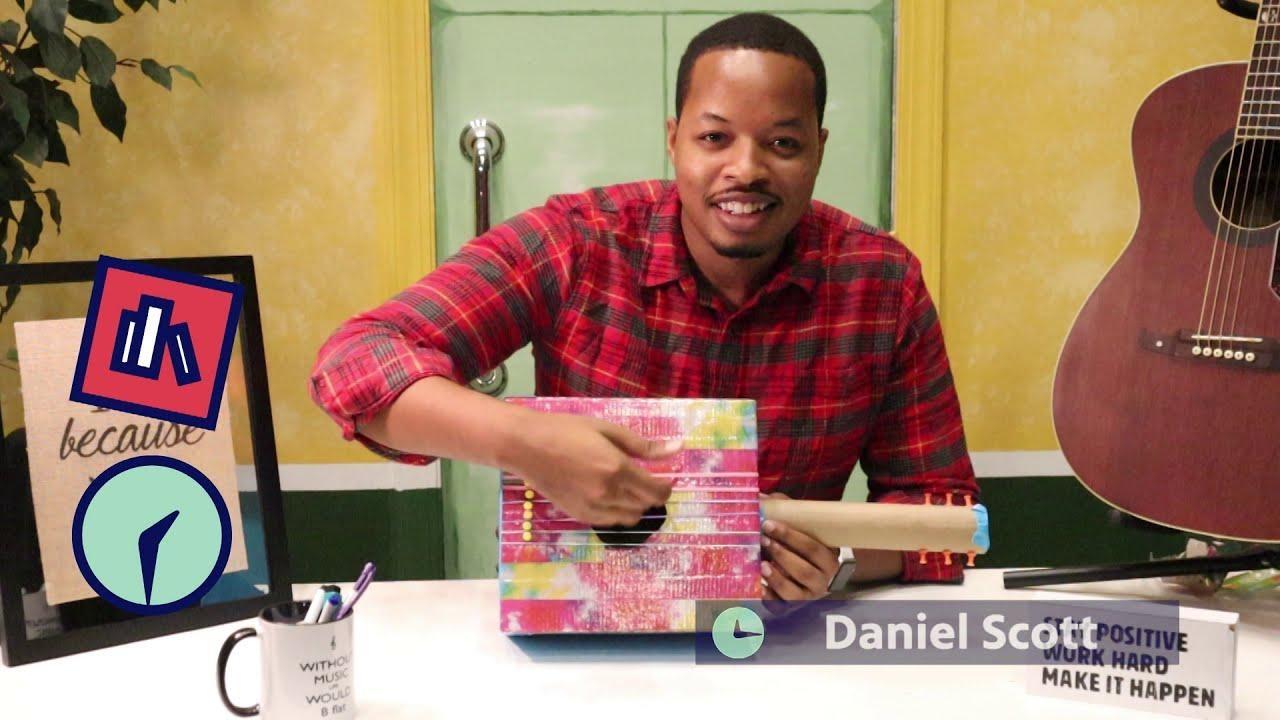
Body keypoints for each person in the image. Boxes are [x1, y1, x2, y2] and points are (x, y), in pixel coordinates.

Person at [309, 13, 978, 601]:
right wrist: (523, 441)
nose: (745, 169)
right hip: (582, 646)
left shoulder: (882, 284)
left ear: (819, 151)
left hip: (778, 643)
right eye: (714, 138)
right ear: (674, 139)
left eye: (783, 143)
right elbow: (355, 363)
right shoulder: (575, 243)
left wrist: (845, 560)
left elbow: (946, 513)